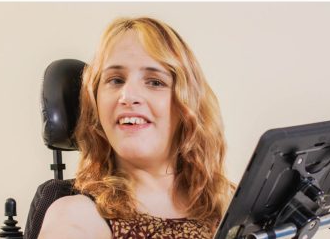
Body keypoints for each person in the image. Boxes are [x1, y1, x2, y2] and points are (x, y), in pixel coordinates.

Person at [39, 17, 233, 238]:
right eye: (115, 80)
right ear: (95, 102)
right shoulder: (76, 215)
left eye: (155, 82)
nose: (128, 96)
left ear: (186, 104)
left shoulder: (233, 205)